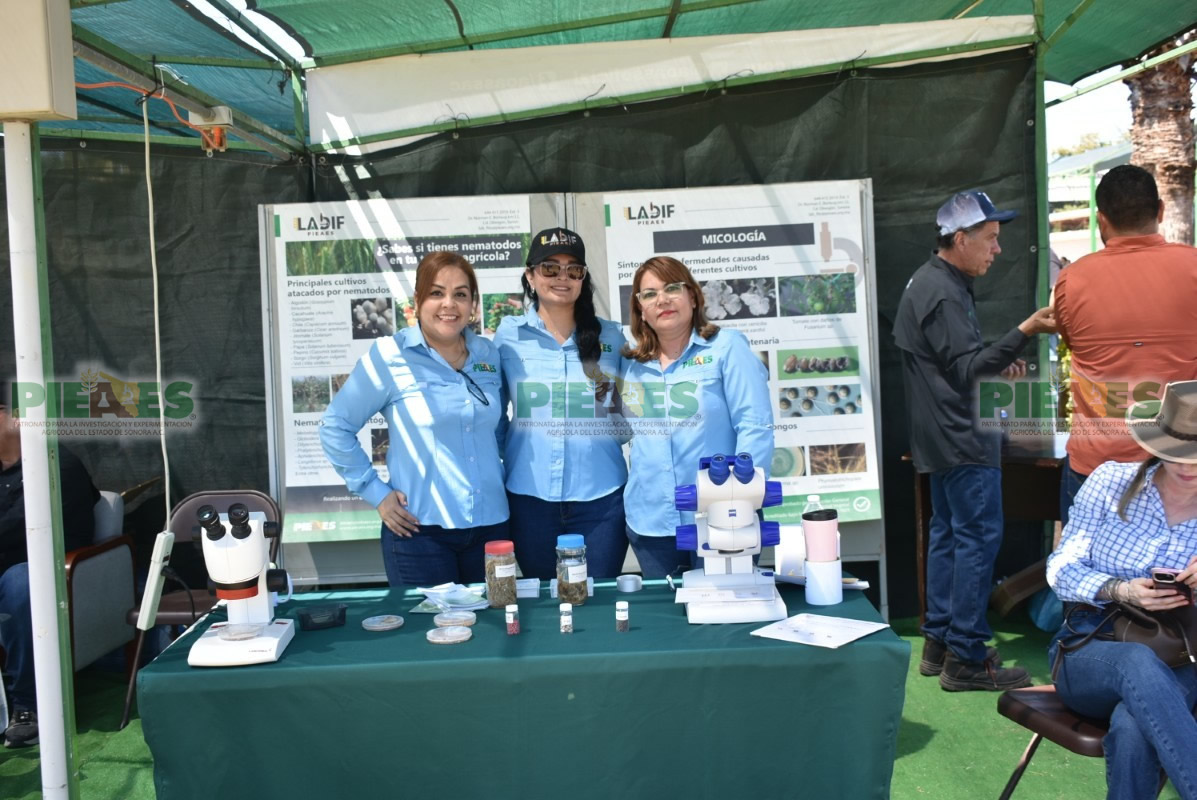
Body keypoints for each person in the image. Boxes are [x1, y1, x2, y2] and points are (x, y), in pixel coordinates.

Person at [893, 190, 1056, 691]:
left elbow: (954, 364)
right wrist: (1025, 330)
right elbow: (966, 370)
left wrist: (994, 361)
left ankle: (939, 643)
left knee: (949, 535)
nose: (997, 249)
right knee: (975, 541)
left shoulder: (931, 280)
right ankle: (964, 656)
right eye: (990, 239)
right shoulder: (943, 291)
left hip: (941, 437)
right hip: (963, 438)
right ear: (960, 239)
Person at [1046, 380, 1197, 799]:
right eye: (1176, 452)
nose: (1187, 466)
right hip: (1088, 644)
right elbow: (1060, 568)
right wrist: (1120, 590)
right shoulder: (1111, 481)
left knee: (1132, 726)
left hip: (1182, 654)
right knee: (1136, 660)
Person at [321, 251, 508, 587]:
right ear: (418, 300)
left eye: (460, 294)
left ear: (473, 304)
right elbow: (335, 427)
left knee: (493, 621)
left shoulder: (488, 354)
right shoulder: (390, 356)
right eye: (437, 293)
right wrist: (375, 491)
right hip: (420, 534)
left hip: (491, 528)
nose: (449, 304)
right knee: (430, 623)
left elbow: (497, 430)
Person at [1052, 164, 1197, 524]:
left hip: (1097, 465)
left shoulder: (1072, 280)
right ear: (1160, 211)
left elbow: (1072, 342)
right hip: (1179, 465)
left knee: (1085, 561)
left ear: (1101, 219)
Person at [620, 256, 773, 578]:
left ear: (692, 296)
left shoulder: (726, 348)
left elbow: (755, 425)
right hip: (651, 521)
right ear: (641, 310)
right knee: (666, 612)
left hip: (723, 517)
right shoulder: (633, 365)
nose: (662, 300)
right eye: (650, 294)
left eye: (672, 288)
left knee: (725, 608)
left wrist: (741, 499)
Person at [493, 228, 629, 580]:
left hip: (602, 501)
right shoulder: (508, 336)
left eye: (573, 269)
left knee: (598, 600)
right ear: (530, 276)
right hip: (529, 499)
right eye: (550, 268)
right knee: (542, 602)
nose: (562, 277)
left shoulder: (611, 336)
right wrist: (515, 451)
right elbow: (493, 414)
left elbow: (629, 414)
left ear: (583, 278)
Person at [0, 390, 99, 748]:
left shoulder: (56, 464)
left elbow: (28, 529)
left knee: (21, 581)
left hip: (50, 574)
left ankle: (28, 706)